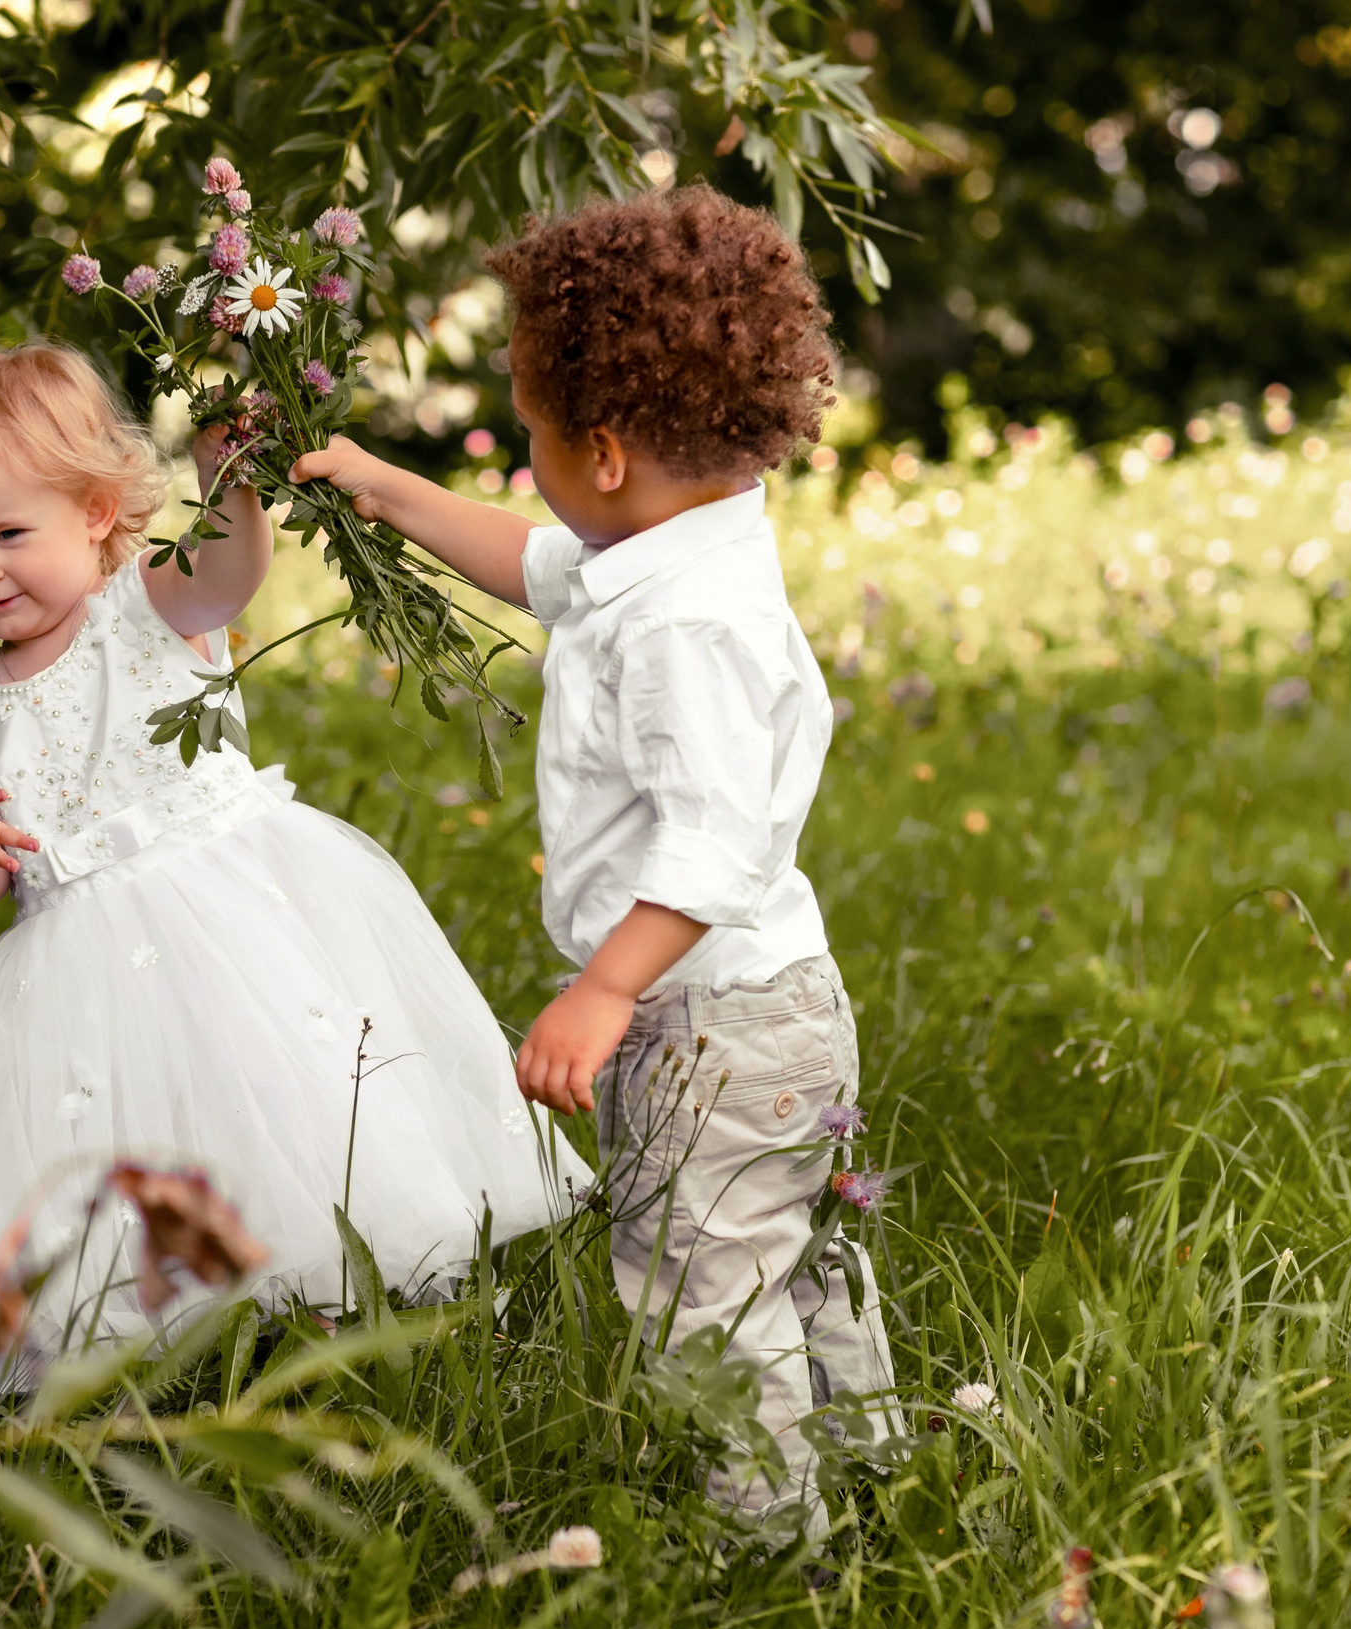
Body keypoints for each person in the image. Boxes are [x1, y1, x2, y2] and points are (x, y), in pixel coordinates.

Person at [292, 187, 903, 1536]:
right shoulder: (675, 553)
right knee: (795, 1255)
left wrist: (604, 989)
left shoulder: (683, 621)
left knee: (702, 1285)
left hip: (706, 1021)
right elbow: (537, 560)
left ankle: (769, 1543)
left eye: (532, 432)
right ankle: (868, 1472)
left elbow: (711, 837)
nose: (528, 459)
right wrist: (384, 487)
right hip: (774, 1005)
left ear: (609, 451)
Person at [0, 343, 586, 1375]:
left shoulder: (147, 604)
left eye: (7, 533)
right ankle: (160, 1331)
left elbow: (229, 568)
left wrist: (230, 480)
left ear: (93, 512)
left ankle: (330, 1302)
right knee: (113, 1146)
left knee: (285, 1104)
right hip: (71, 972)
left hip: (232, 917)